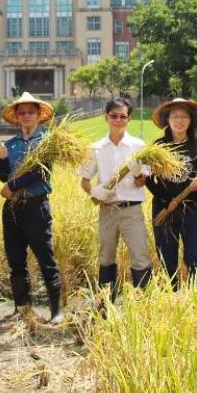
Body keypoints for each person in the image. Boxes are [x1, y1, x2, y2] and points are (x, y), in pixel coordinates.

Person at [0, 92, 63, 323]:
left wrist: (12, 185)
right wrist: (2, 160)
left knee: (46, 257)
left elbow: (40, 171)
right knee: (16, 260)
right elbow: (3, 175)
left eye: (30, 112)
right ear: (16, 116)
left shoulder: (46, 141)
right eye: (21, 112)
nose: (26, 116)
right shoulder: (11, 144)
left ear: (38, 115)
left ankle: (56, 311)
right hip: (13, 209)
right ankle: (22, 309)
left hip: (37, 207)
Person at [78, 98, 152, 301]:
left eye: (123, 116)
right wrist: (94, 191)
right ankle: (106, 304)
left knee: (140, 255)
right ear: (106, 117)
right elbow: (84, 181)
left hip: (132, 209)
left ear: (129, 119)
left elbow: (141, 183)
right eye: (114, 116)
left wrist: (137, 173)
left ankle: (143, 303)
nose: (118, 120)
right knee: (106, 255)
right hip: (108, 210)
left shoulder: (138, 146)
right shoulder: (96, 148)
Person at [145, 98, 197, 289]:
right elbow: (149, 178)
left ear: (191, 121)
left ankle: (196, 296)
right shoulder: (158, 146)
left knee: (196, 255)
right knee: (167, 256)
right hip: (164, 208)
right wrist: (167, 201)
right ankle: (170, 296)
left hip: (192, 208)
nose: (179, 120)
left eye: (184, 117)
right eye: (175, 116)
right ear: (168, 120)